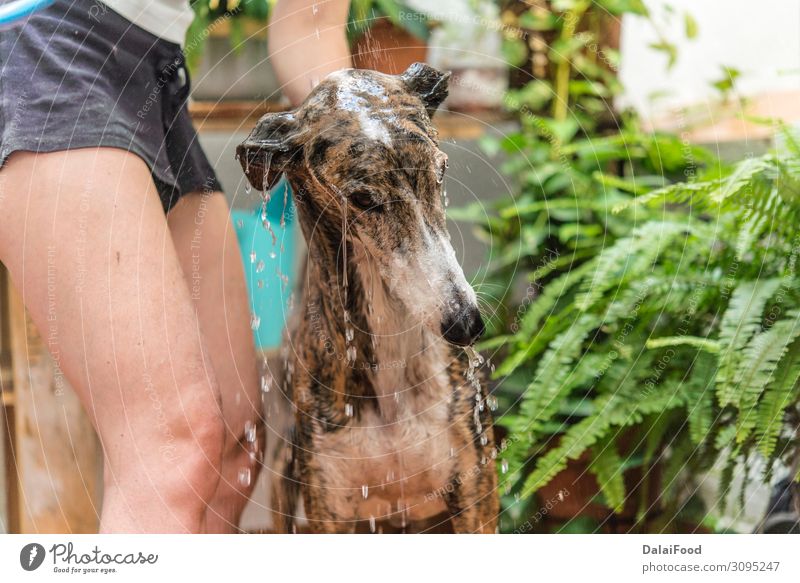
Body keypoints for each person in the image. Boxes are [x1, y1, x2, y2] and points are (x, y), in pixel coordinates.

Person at [0, 0, 350, 533]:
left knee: (231, 449)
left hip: (155, 70)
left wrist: (373, 146)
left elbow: (312, 23)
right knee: (170, 446)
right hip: (42, 41)